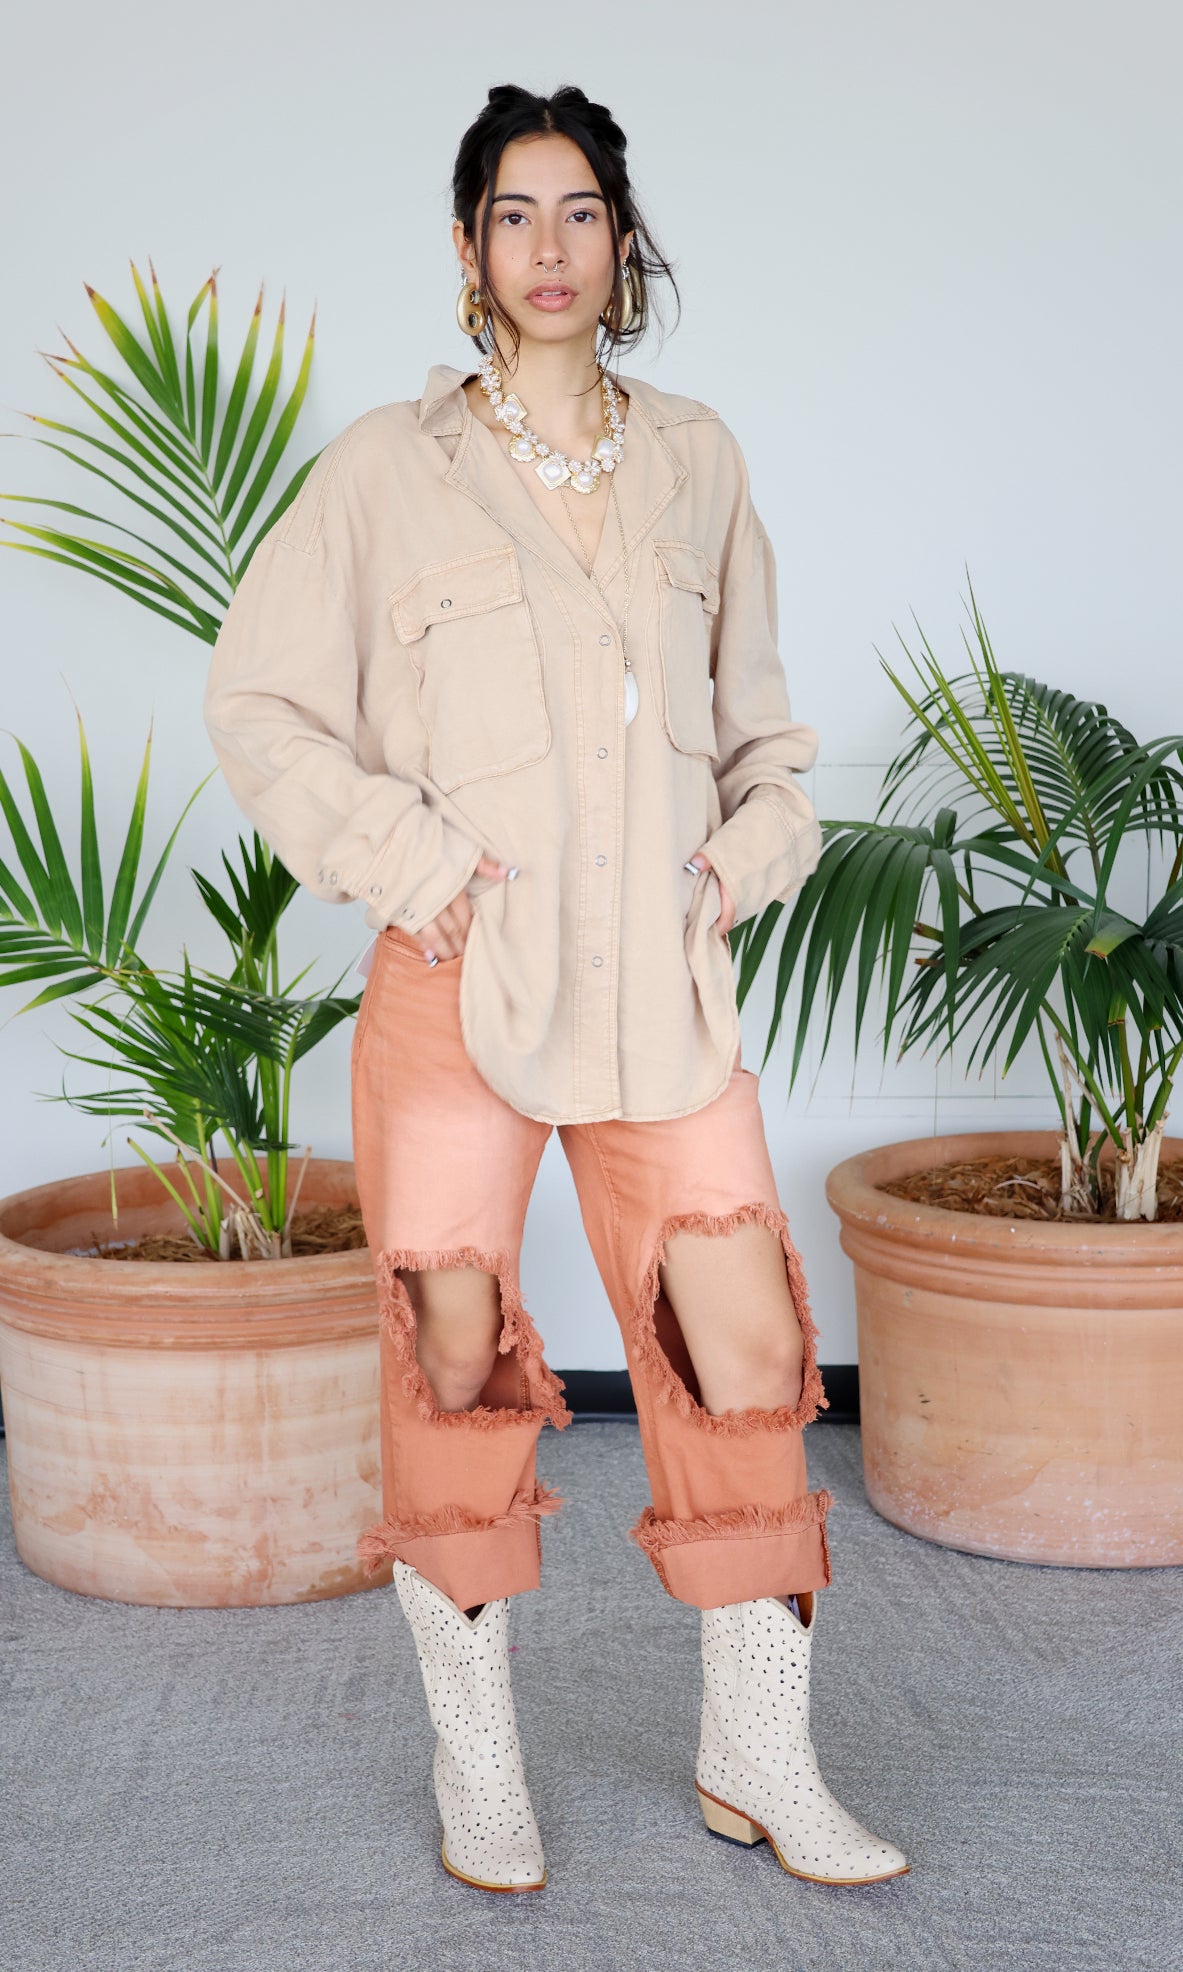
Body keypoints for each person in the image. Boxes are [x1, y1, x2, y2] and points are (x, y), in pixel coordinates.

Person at [203, 81, 909, 1895]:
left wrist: (736, 866)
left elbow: (771, 744)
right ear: (466, 248)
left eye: (580, 211)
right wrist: (418, 868)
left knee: (748, 1347)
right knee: (452, 1365)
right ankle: (480, 1774)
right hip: (461, 996)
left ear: (623, 237)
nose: (549, 249)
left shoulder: (700, 459)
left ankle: (762, 1759)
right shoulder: (384, 471)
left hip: (660, 1002)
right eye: (513, 215)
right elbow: (261, 707)